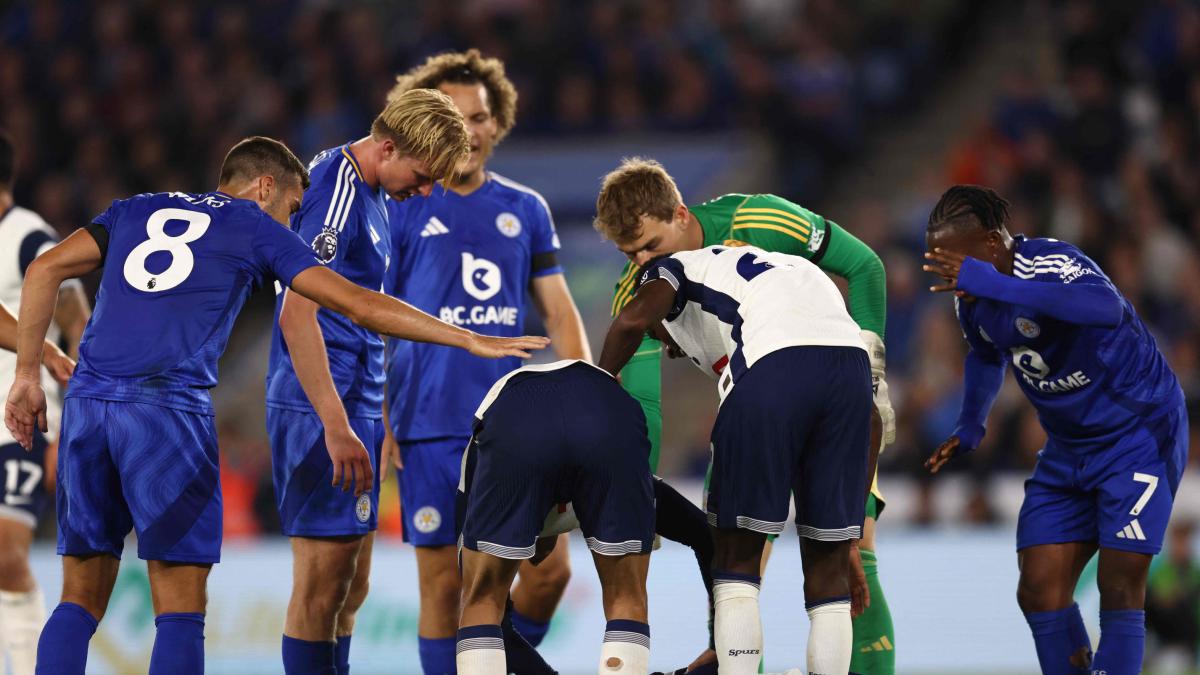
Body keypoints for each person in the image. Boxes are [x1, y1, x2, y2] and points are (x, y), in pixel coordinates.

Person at [3, 135, 548, 675]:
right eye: (292, 208)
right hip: (167, 413)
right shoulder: (254, 225)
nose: (293, 222)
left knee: (78, 596)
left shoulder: (136, 208)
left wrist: (28, 372)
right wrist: (465, 338)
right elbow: (357, 303)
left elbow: (43, 269)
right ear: (265, 187)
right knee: (180, 607)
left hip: (89, 404)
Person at [594, 158, 894, 673]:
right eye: (630, 254)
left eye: (650, 245)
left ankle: (734, 659)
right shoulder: (643, 279)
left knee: (738, 562)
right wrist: (640, 486)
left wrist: (878, 373)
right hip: (841, 383)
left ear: (681, 214)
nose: (642, 262)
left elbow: (865, 268)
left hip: (771, 387)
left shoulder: (760, 220)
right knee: (831, 553)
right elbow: (645, 403)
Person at [922, 184, 1189, 674]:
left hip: (1137, 434)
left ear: (989, 244)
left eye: (954, 260)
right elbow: (985, 355)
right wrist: (971, 425)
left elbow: (1105, 309)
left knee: (1120, 582)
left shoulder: (1049, 261)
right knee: (1039, 588)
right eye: (938, 262)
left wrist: (996, 285)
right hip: (1067, 448)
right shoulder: (971, 300)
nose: (949, 274)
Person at [381, 50, 590, 672]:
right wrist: (378, 409)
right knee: (445, 589)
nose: (466, 131)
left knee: (549, 576)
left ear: (497, 123)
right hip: (429, 423)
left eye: (477, 117)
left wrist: (585, 398)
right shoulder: (402, 204)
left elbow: (557, 312)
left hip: (513, 425)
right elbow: (368, 312)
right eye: (451, 116)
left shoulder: (525, 209)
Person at [456, 360, 654, 674]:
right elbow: (699, 532)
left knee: (481, 598)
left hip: (519, 419)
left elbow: (475, 587)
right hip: (610, 415)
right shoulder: (648, 481)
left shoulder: (481, 459)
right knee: (627, 596)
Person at [0, 130, 90, 675]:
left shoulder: (30, 235)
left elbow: (79, 316)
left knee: (7, 556)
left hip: (21, 422)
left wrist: (75, 417)